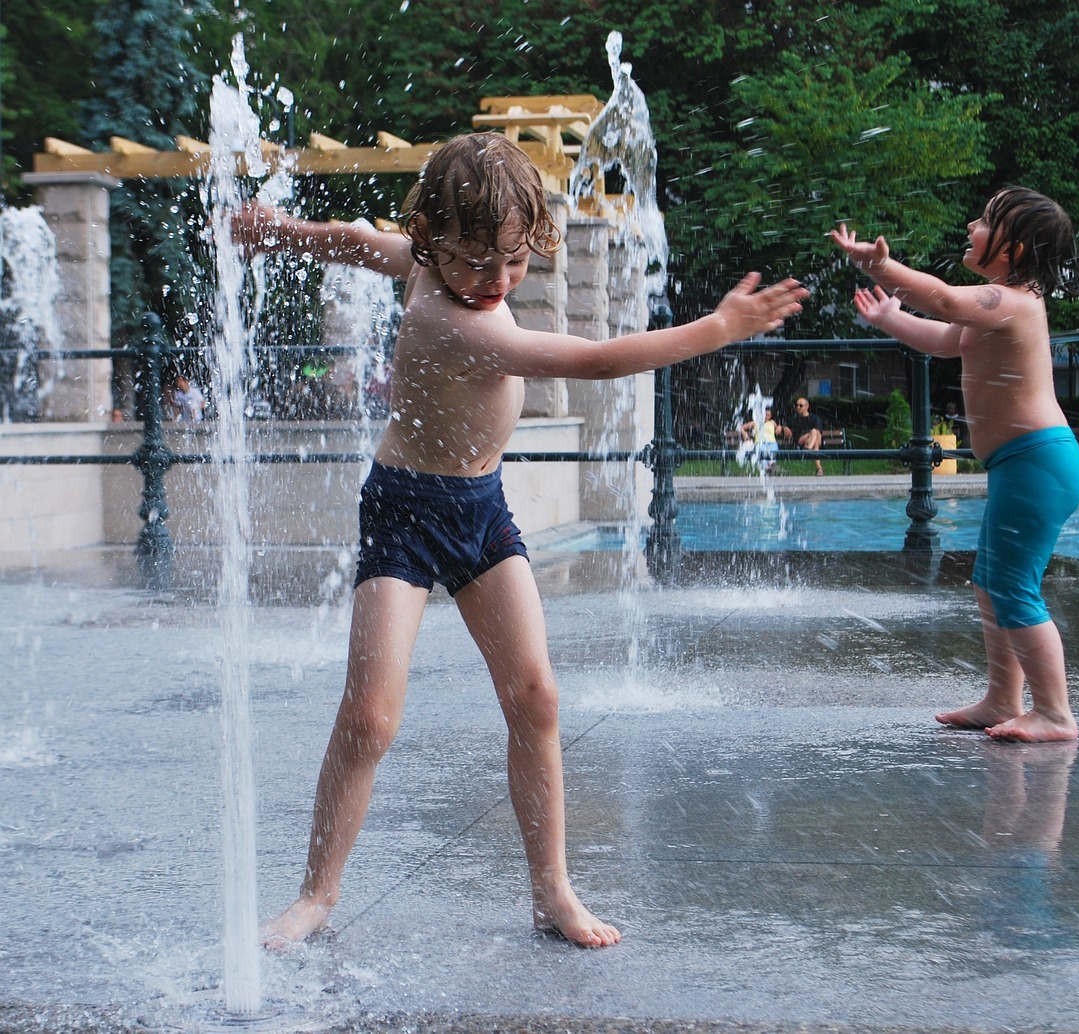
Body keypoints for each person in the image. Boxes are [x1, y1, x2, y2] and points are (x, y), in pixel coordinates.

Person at [230, 132, 807, 950]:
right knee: (370, 717)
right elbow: (599, 361)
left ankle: (552, 890)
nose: (494, 282)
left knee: (535, 699)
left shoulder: (435, 268)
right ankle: (318, 895)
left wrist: (280, 231)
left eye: (512, 262)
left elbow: (358, 243)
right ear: (432, 237)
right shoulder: (451, 317)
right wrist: (717, 327)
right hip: (405, 513)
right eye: (475, 263)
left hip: (481, 511)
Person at [833, 185, 1079, 743]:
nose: (972, 224)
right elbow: (949, 339)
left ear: (1014, 249)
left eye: (986, 219)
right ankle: (1002, 698)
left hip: (1036, 462)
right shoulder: (995, 305)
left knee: (1015, 586)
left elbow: (945, 301)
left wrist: (884, 266)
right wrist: (891, 320)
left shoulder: (1013, 301)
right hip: (1024, 465)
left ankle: (1055, 712)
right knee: (991, 584)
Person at [782, 396, 824, 475]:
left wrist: (811, 438)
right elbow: (783, 425)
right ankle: (819, 468)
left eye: (800, 405)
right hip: (800, 441)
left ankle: (808, 450)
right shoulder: (793, 418)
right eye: (797, 405)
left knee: (814, 433)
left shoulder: (815, 418)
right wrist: (785, 427)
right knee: (814, 434)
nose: (798, 407)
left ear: (807, 406)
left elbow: (818, 434)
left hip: (813, 441)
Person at [740, 405, 781, 472]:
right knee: (762, 451)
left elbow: (778, 428)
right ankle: (766, 467)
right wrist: (745, 434)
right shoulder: (755, 423)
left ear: (770, 416)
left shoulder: (772, 423)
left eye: (768, 415)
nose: (765, 416)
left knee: (773, 449)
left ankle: (771, 464)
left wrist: (779, 427)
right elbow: (742, 427)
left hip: (772, 442)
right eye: (764, 414)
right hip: (760, 442)